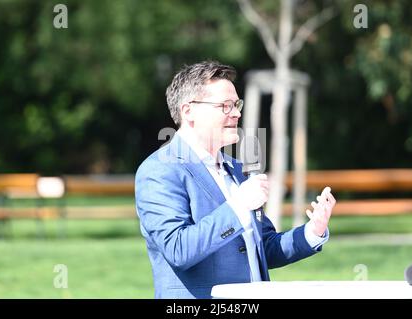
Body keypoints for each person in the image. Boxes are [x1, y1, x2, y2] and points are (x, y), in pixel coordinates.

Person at [135, 60, 336, 299]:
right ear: (189, 111)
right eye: (225, 106)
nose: (237, 112)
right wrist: (238, 205)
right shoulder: (159, 171)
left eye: (237, 104)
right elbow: (179, 250)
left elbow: (263, 247)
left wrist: (312, 232)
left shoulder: (237, 170)